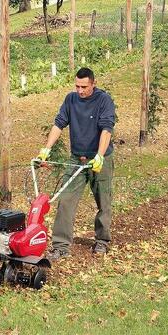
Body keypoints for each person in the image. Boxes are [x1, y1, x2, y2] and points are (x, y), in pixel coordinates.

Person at [36, 67, 115, 260]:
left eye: (84, 87)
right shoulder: (70, 100)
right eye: (77, 86)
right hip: (76, 159)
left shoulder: (103, 100)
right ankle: (61, 246)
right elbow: (59, 124)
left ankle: (102, 241)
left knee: (103, 201)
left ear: (93, 84)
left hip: (99, 160)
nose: (80, 91)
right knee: (65, 201)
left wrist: (100, 156)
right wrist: (46, 149)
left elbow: (106, 129)